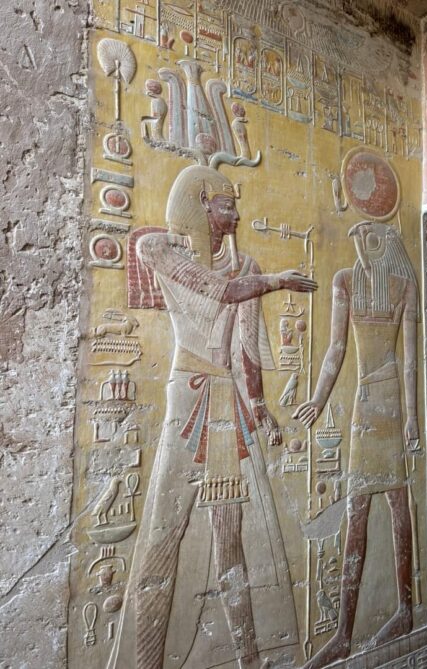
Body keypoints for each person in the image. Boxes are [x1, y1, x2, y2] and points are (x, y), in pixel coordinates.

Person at [107, 164, 317, 669]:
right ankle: (147, 661)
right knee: (165, 530)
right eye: (227, 205)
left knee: (231, 538)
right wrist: (276, 281)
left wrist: (260, 409)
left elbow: (246, 349)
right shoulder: (157, 249)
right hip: (188, 394)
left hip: (227, 400)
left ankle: (248, 658)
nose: (236, 215)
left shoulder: (245, 267)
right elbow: (217, 290)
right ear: (201, 204)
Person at [294, 221, 418, 668]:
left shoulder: (404, 287)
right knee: (356, 509)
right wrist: (318, 397)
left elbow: (409, 361)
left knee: (399, 504)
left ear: (384, 245)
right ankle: (344, 634)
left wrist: (412, 418)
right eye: (359, 237)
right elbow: (336, 349)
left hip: (390, 404)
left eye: (370, 238)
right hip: (365, 405)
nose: (361, 246)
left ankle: (405, 609)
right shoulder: (345, 281)